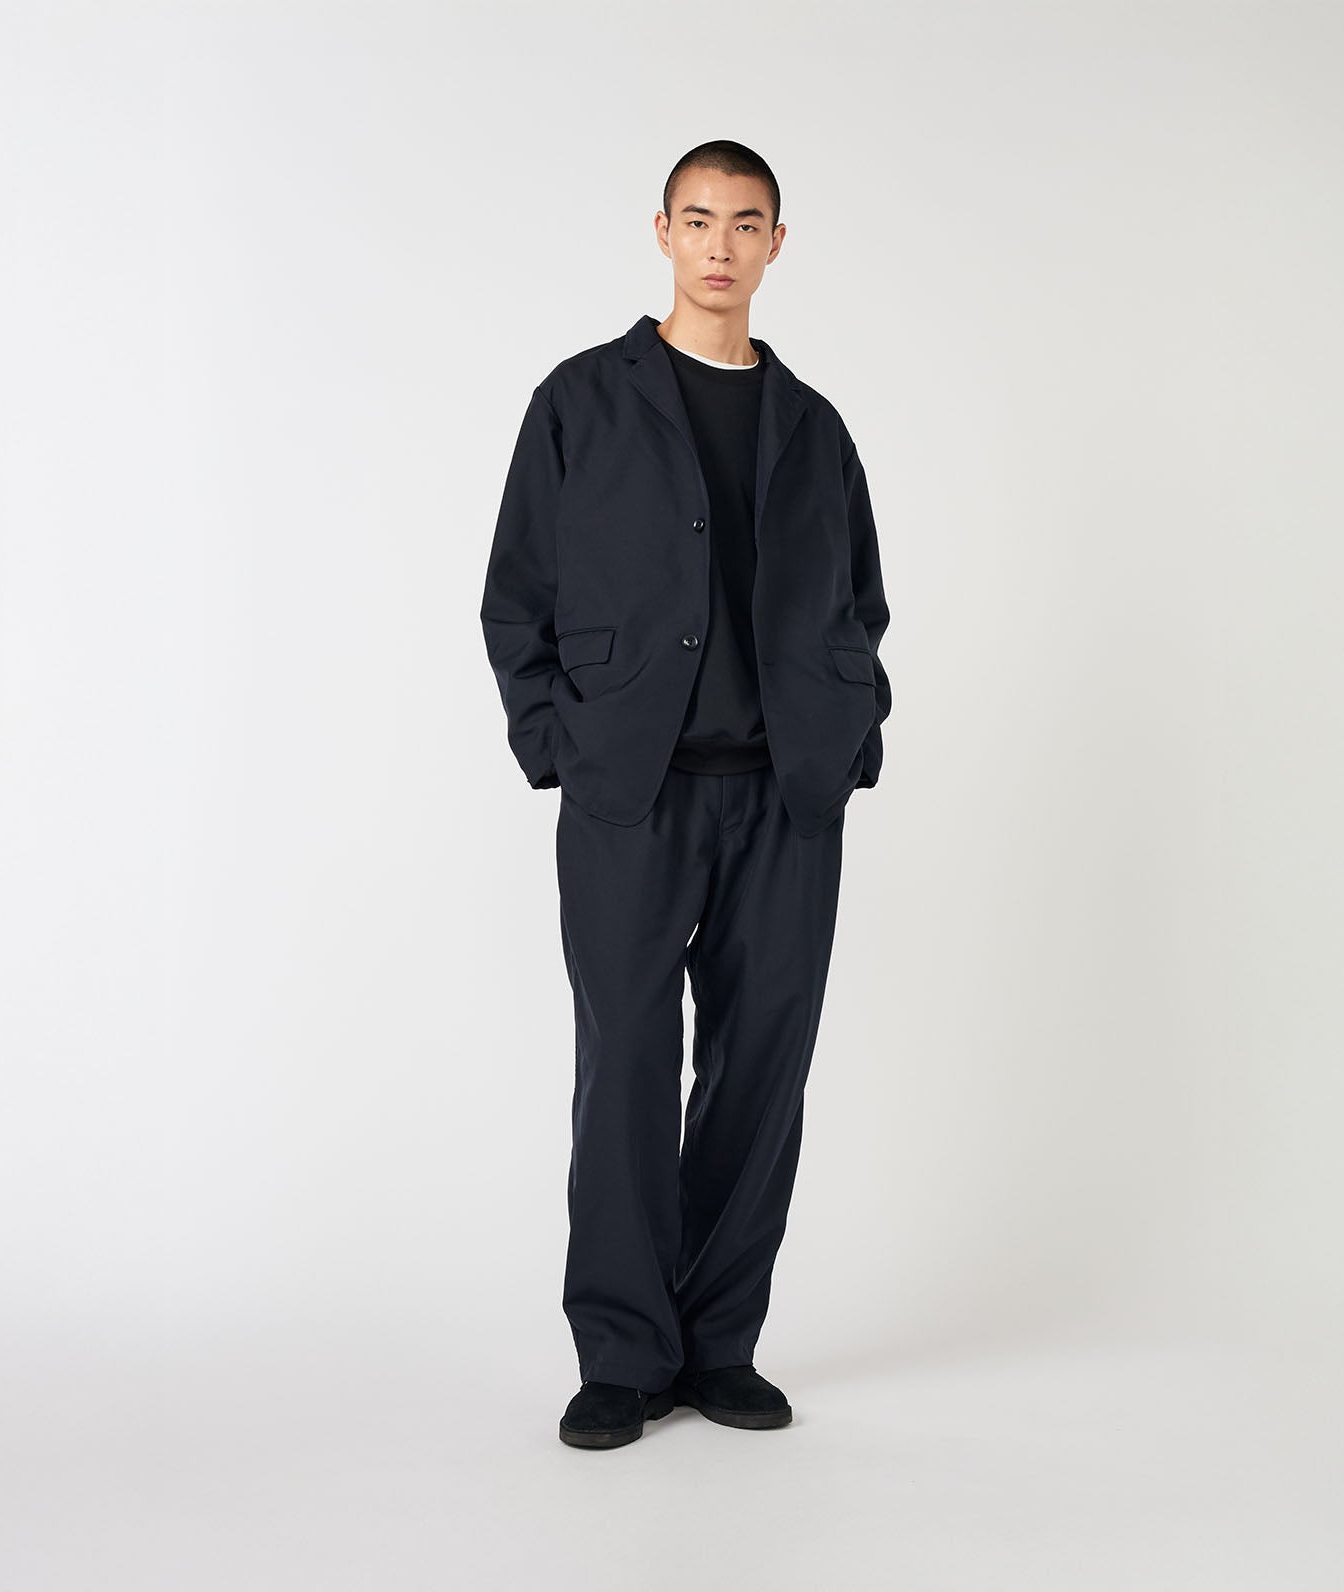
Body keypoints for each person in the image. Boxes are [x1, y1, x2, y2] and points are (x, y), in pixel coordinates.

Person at [480, 139, 892, 1448]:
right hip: (632, 797)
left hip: (785, 801)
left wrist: (851, 732)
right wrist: (560, 742)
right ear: (662, 232)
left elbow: (860, 603)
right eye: (699, 219)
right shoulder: (580, 402)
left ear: (777, 243)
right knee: (626, 1069)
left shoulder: (814, 428)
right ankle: (622, 1354)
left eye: (746, 223)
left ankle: (719, 1345)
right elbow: (516, 597)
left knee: (761, 1074)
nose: (721, 245)